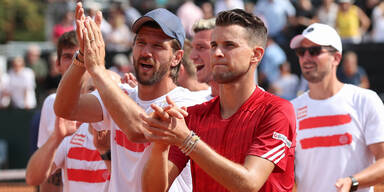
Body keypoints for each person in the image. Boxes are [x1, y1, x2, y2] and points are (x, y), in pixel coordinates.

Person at [54, 3, 206, 192]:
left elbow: (140, 131)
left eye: (157, 45)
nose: (146, 52)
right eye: (141, 42)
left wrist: (98, 70)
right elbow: (65, 108)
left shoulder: (188, 104)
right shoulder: (121, 93)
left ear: (177, 58)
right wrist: (82, 57)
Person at [141, 9, 296, 192]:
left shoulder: (277, 110)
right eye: (214, 45)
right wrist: (161, 144)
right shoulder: (193, 115)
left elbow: (249, 183)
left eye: (229, 45)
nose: (217, 53)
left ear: (256, 55)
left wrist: (186, 140)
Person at [289, 23, 384, 192]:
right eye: (301, 52)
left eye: (315, 51)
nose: (306, 57)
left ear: (336, 58)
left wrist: (353, 182)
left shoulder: (364, 100)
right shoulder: (291, 109)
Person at [26, 72, 112, 192]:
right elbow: (32, 178)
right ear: (82, 96)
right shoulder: (71, 132)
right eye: (91, 89)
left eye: (104, 88)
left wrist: (106, 153)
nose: (96, 95)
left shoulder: (127, 138)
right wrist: (56, 137)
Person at [36, 30, 79, 192]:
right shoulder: (50, 104)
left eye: (79, 55)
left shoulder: (108, 99)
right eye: (68, 57)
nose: (75, 62)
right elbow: (50, 173)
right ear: (57, 64)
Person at [190, 18, 219, 98]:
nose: (192, 56)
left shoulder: (255, 105)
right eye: (193, 48)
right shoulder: (191, 104)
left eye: (201, 47)